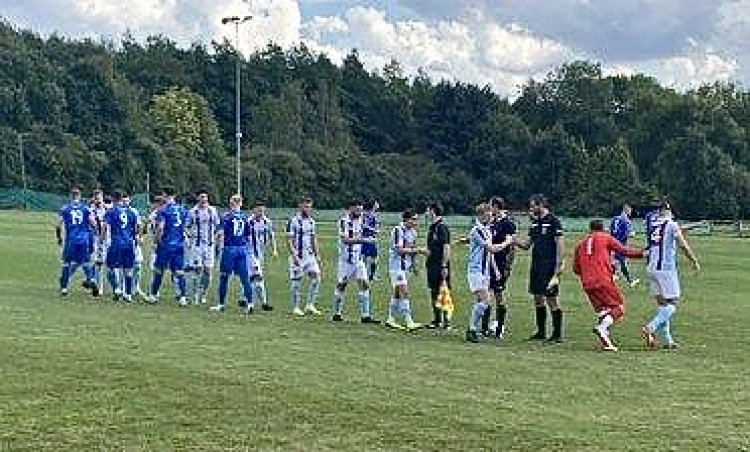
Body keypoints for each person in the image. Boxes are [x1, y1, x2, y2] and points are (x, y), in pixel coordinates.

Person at [573, 219, 647, 351]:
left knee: (604, 311)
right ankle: (602, 328)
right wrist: (642, 254)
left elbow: (576, 269)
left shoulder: (580, 245)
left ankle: (606, 342)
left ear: (590, 229)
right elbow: (623, 251)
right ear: (603, 229)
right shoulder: (605, 238)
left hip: (587, 283)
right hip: (603, 280)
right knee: (618, 307)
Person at [641, 200, 700, 350]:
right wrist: (693, 260)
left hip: (652, 267)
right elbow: (682, 244)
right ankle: (651, 327)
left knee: (663, 305)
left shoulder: (654, 224)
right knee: (673, 303)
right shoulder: (671, 224)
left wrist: (695, 225)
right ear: (667, 210)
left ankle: (668, 341)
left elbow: (677, 231)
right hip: (665, 269)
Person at [515, 194, 565, 343]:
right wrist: (512, 241)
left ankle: (557, 335)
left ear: (541, 205)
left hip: (549, 266)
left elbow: (560, 244)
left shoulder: (554, 222)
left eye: (533, 206)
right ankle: (541, 332)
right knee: (537, 298)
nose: (531, 209)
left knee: (552, 299)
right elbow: (526, 245)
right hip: (536, 266)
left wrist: (558, 265)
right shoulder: (535, 223)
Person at [465, 203, 509, 343]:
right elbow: (490, 249)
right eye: (489, 214)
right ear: (482, 215)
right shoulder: (476, 230)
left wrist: (495, 270)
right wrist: (507, 243)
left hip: (485, 272)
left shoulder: (487, 230)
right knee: (485, 300)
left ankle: (474, 329)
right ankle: (471, 329)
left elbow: (489, 255)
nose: (491, 217)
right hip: (476, 270)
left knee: (482, 301)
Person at [331, 200, 379, 323]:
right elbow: (345, 240)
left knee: (364, 284)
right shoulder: (343, 221)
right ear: (350, 209)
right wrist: (364, 240)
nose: (360, 212)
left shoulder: (361, 219)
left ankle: (366, 316)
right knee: (342, 285)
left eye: (361, 210)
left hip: (358, 260)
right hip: (346, 260)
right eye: (357, 210)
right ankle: (336, 313)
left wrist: (373, 230)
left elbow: (367, 222)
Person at [210, 194, 254, 313]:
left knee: (224, 277)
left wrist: (216, 246)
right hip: (241, 249)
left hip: (230, 249)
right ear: (240, 203)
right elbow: (248, 236)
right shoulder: (245, 218)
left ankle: (221, 304)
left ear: (232, 203)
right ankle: (250, 303)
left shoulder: (226, 217)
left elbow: (220, 233)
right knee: (245, 278)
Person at [386, 209, 428, 331]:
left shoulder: (413, 232)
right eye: (413, 219)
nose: (416, 222)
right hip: (396, 267)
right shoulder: (397, 230)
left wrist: (414, 265)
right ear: (406, 219)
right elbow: (399, 250)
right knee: (404, 291)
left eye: (416, 219)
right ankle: (409, 321)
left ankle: (390, 319)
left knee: (397, 293)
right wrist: (420, 250)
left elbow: (412, 249)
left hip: (406, 267)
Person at [148, 186, 189, 305]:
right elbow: (185, 227)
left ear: (165, 195)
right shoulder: (182, 209)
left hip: (166, 244)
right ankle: (182, 298)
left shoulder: (163, 210)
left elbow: (161, 227)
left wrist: (157, 241)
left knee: (159, 271)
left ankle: (154, 295)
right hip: (179, 245)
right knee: (179, 272)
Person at [482, 197, 516, 339]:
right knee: (486, 295)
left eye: (491, 207)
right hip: (488, 263)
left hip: (501, 264)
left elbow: (512, 247)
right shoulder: (491, 223)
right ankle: (484, 327)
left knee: (499, 296)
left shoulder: (508, 224)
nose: (489, 210)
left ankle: (499, 328)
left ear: (496, 207)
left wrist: (508, 266)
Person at [57, 187, 97, 296]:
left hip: (71, 240)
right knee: (85, 262)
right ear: (79, 197)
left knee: (66, 264)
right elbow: (93, 223)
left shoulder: (65, 208)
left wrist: (59, 238)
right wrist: (92, 233)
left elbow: (58, 225)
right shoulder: (85, 208)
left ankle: (64, 289)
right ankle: (92, 279)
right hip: (84, 240)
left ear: (71, 196)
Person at [286, 197, 322, 316]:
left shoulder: (312, 221)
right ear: (300, 206)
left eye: (310, 206)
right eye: (306, 206)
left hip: (309, 256)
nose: (308, 209)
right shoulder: (293, 221)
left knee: (316, 277)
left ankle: (310, 305)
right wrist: (294, 255)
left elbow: (313, 239)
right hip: (298, 256)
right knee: (296, 281)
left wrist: (317, 255)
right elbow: (289, 240)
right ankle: (295, 307)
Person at [103, 191, 139, 303]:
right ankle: (128, 294)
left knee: (110, 268)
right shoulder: (131, 212)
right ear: (122, 199)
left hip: (116, 243)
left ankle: (117, 289)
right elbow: (136, 229)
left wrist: (102, 239)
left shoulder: (111, 212)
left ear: (113, 199)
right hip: (129, 244)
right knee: (128, 270)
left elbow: (105, 227)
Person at [186, 190, 220, 305]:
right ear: (198, 198)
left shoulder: (213, 211)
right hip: (197, 245)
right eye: (201, 197)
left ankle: (203, 293)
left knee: (208, 272)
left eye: (205, 197)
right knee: (197, 269)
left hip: (209, 246)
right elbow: (186, 227)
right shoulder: (192, 212)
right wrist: (189, 237)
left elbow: (218, 226)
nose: (204, 199)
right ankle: (195, 295)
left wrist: (217, 240)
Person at [244, 200, 277, 311]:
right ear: (254, 210)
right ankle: (263, 302)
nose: (261, 212)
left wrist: (274, 250)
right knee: (257, 277)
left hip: (260, 254)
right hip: (250, 253)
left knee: (252, 278)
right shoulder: (248, 222)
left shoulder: (267, 222)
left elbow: (271, 236)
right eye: (259, 209)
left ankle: (246, 299)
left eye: (263, 209)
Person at [425, 202, 452, 329]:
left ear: (432, 211)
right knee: (434, 292)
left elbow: (446, 247)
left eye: (428, 210)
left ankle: (446, 321)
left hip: (439, 266)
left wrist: (444, 266)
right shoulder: (432, 227)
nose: (426, 213)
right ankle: (436, 320)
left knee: (444, 291)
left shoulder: (441, 227)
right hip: (431, 265)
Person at [122, 195, 147, 299]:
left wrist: (140, 237)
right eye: (123, 201)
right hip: (123, 242)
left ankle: (136, 287)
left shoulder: (134, 212)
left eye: (127, 200)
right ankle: (124, 288)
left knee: (138, 265)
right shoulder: (118, 211)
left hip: (133, 241)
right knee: (125, 266)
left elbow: (139, 226)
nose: (125, 202)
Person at [610, 203, 639, 287]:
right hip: (621, 244)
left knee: (616, 260)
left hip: (612, 242)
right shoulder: (626, 220)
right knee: (622, 262)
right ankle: (630, 281)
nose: (631, 212)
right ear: (627, 210)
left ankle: (614, 275)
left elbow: (611, 230)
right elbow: (629, 234)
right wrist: (632, 234)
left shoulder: (615, 218)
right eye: (630, 210)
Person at [90, 189, 107, 296]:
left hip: (105, 239)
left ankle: (99, 286)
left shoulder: (107, 209)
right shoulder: (91, 210)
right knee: (96, 262)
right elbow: (92, 223)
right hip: (95, 238)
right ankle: (95, 284)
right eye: (96, 198)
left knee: (102, 263)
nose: (98, 201)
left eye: (99, 198)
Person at [361, 200, 381, 281]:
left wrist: (375, 231)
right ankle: (364, 275)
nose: (378, 205)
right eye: (376, 204)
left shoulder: (374, 215)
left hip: (372, 239)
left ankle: (371, 275)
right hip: (366, 238)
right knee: (365, 258)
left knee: (374, 257)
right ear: (373, 205)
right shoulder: (366, 215)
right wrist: (374, 230)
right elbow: (363, 225)